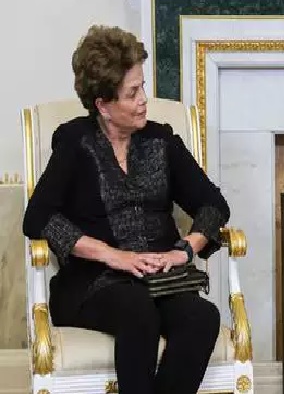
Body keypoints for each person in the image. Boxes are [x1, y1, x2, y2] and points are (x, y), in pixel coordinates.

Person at [22, 25, 230, 394]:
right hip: (93, 284)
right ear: (103, 105)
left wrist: (185, 251)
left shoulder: (161, 140)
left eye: (142, 87)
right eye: (132, 93)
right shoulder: (75, 142)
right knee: (137, 310)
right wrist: (112, 255)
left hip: (160, 278)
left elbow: (213, 205)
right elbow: (37, 217)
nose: (144, 100)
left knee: (202, 317)